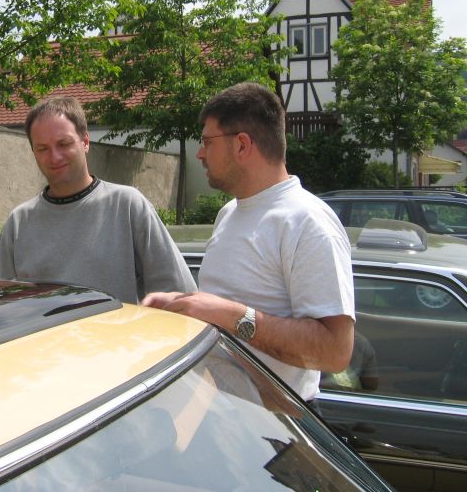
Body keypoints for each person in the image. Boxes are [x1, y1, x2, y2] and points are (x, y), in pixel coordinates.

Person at [143, 82, 355, 401]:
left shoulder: (308, 222)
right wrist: (183, 303)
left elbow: (335, 352)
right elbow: (225, 305)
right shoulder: (229, 213)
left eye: (207, 142)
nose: (200, 153)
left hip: (276, 425)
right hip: (221, 416)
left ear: (242, 145)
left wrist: (229, 314)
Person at [0, 96, 196, 304]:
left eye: (64, 144)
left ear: (85, 142)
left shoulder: (127, 206)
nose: (54, 157)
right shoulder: (18, 223)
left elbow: (179, 295)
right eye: (43, 148)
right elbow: (4, 306)